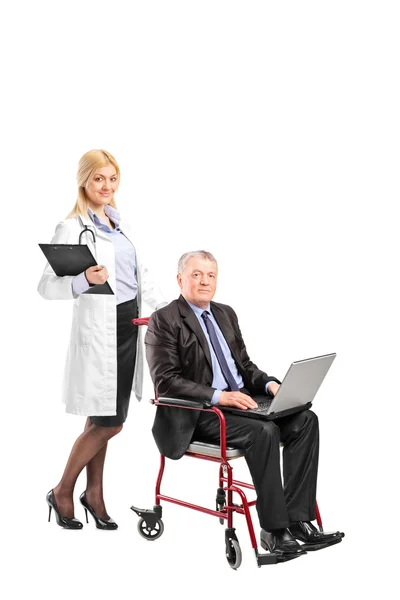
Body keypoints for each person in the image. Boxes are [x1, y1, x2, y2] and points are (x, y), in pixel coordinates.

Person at [144, 250, 344, 561]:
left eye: (211, 275)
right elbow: (166, 381)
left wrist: (269, 385)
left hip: (241, 404)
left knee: (306, 420)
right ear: (180, 279)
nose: (204, 282)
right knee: (263, 431)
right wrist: (218, 396)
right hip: (198, 413)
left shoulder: (225, 313)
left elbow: (244, 366)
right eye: (196, 275)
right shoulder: (164, 320)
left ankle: (298, 520)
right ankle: (274, 532)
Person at [38, 149, 166, 530]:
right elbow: (45, 286)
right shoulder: (72, 226)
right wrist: (83, 281)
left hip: (130, 325)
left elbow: (137, 276)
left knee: (101, 416)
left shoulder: (117, 224)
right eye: (98, 179)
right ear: (84, 181)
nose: (106, 186)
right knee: (110, 423)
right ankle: (62, 490)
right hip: (100, 333)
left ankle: (94, 495)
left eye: (112, 179)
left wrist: (163, 312)